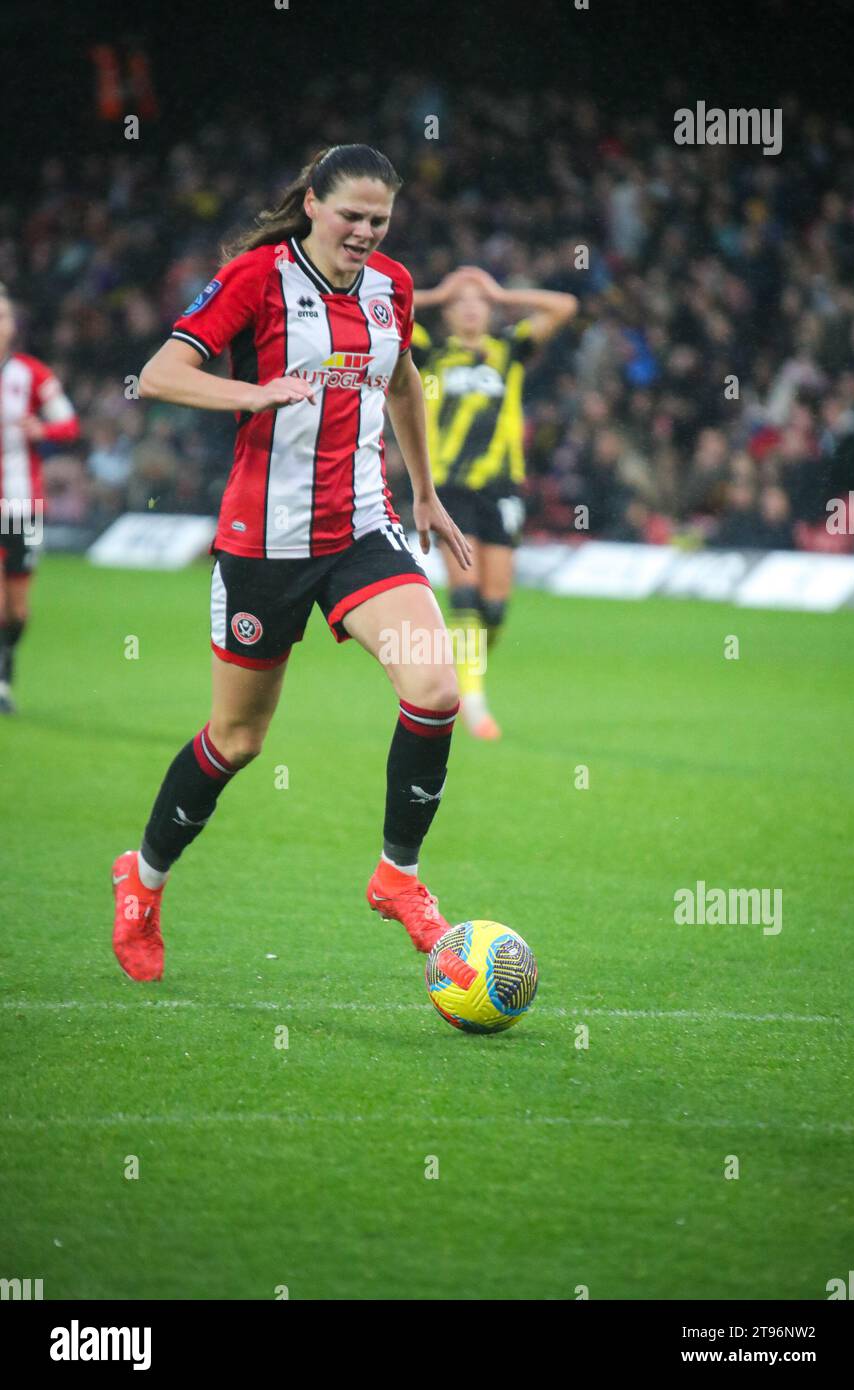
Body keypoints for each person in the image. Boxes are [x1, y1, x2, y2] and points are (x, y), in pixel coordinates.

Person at [111, 145, 472, 982]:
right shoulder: (255, 277)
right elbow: (160, 376)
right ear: (312, 203)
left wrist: (425, 492)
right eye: (352, 215)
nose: (365, 233)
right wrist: (253, 393)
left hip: (362, 530)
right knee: (236, 740)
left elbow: (405, 382)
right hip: (262, 544)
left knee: (436, 688)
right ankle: (144, 880)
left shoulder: (393, 288)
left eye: (379, 220)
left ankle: (398, 877)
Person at [412, 267, 577, 737]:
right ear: (447, 310)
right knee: (464, 593)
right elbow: (382, 302)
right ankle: (474, 702)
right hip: (448, 487)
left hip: (502, 487)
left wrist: (504, 290)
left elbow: (565, 306)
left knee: (495, 608)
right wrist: (436, 291)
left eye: (478, 300)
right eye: (460, 300)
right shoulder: (429, 353)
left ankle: (468, 673)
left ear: (489, 309)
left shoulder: (509, 349)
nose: (469, 306)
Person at [0, 284, 79, 714]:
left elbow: (68, 424)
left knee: (16, 607)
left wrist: (42, 431)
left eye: (4, 317)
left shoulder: (32, 374)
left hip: (22, 507)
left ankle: (6, 673)